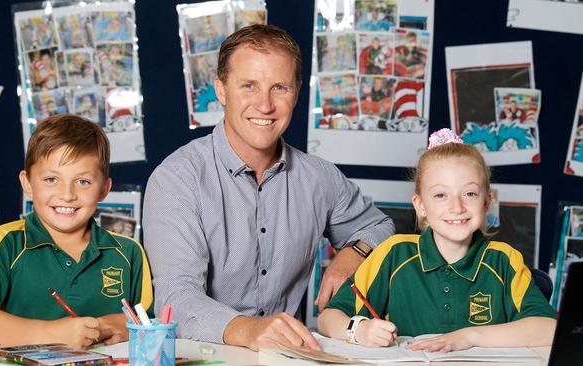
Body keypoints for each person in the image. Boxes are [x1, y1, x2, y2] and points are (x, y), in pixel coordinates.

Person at [143, 24, 394, 351]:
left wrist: (354, 252)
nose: (264, 105)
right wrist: (249, 330)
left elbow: (380, 225)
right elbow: (175, 297)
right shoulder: (176, 179)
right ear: (221, 89)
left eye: (279, 88)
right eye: (248, 85)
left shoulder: (320, 177)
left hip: (290, 357)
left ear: (297, 91)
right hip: (207, 356)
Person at [318, 128, 556, 351]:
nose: (457, 207)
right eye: (441, 195)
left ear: (486, 203)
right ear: (420, 206)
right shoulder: (393, 254)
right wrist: (359, 330)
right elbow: (328, 319)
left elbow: (549, 328)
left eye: (470, 193)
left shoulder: (504, 259)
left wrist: (469, 336)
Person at [0, 114, 153, 349]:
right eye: (51, 179)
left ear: (104, 189)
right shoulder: (2, 244)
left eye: (83, 181)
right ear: (27, 184)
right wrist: (53, 333)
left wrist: (118, 324)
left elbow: (154, 322)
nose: (67, 194)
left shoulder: (129, 252)